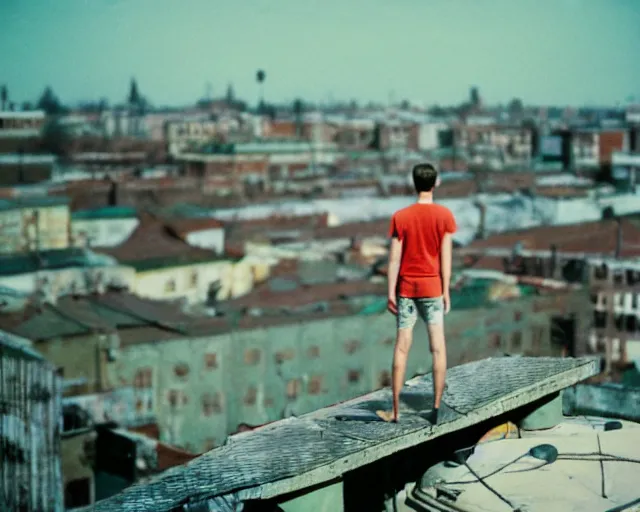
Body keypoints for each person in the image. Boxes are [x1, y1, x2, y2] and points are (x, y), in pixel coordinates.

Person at [377, 163, 457, 424]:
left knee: (401, 348)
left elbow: (393, 260)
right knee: (438, 347)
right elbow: (446, 257)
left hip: (407, 289)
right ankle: (436, 409)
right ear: (436, 183)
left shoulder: (401, 217)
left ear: (414, 183)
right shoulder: (444, 216)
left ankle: (396, 412)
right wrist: (445, 290)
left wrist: (390, 292)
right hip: (432, 287)